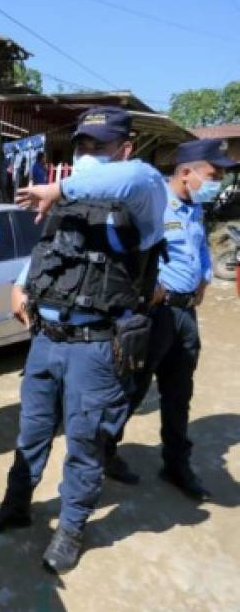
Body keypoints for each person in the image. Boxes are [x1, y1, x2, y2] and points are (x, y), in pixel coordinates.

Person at [0, 106, 166, 574]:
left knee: (84, 441)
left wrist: (59, 186)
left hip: (97, 346)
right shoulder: (66, 201)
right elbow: (51, 248)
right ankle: (17, 504)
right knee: (32, 431)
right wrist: (22, 281)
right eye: (82, 146)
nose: (87, 156)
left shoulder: (142, 188)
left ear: (125, 149)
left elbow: (128, 182)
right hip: (45, 340)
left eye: (99, 147)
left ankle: (71, 527)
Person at [102, 138, 236, 498]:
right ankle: (103, 451)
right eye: (214, 173)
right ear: (186, 172)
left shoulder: (194, 208)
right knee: (132, 388)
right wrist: (150, 287)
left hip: (185, 314)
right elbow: (130, 254)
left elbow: (200, 249)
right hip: (155, 314)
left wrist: (205, 278)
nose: (218, 181)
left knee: (179, 393)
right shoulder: (154, 203)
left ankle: (176, 465)